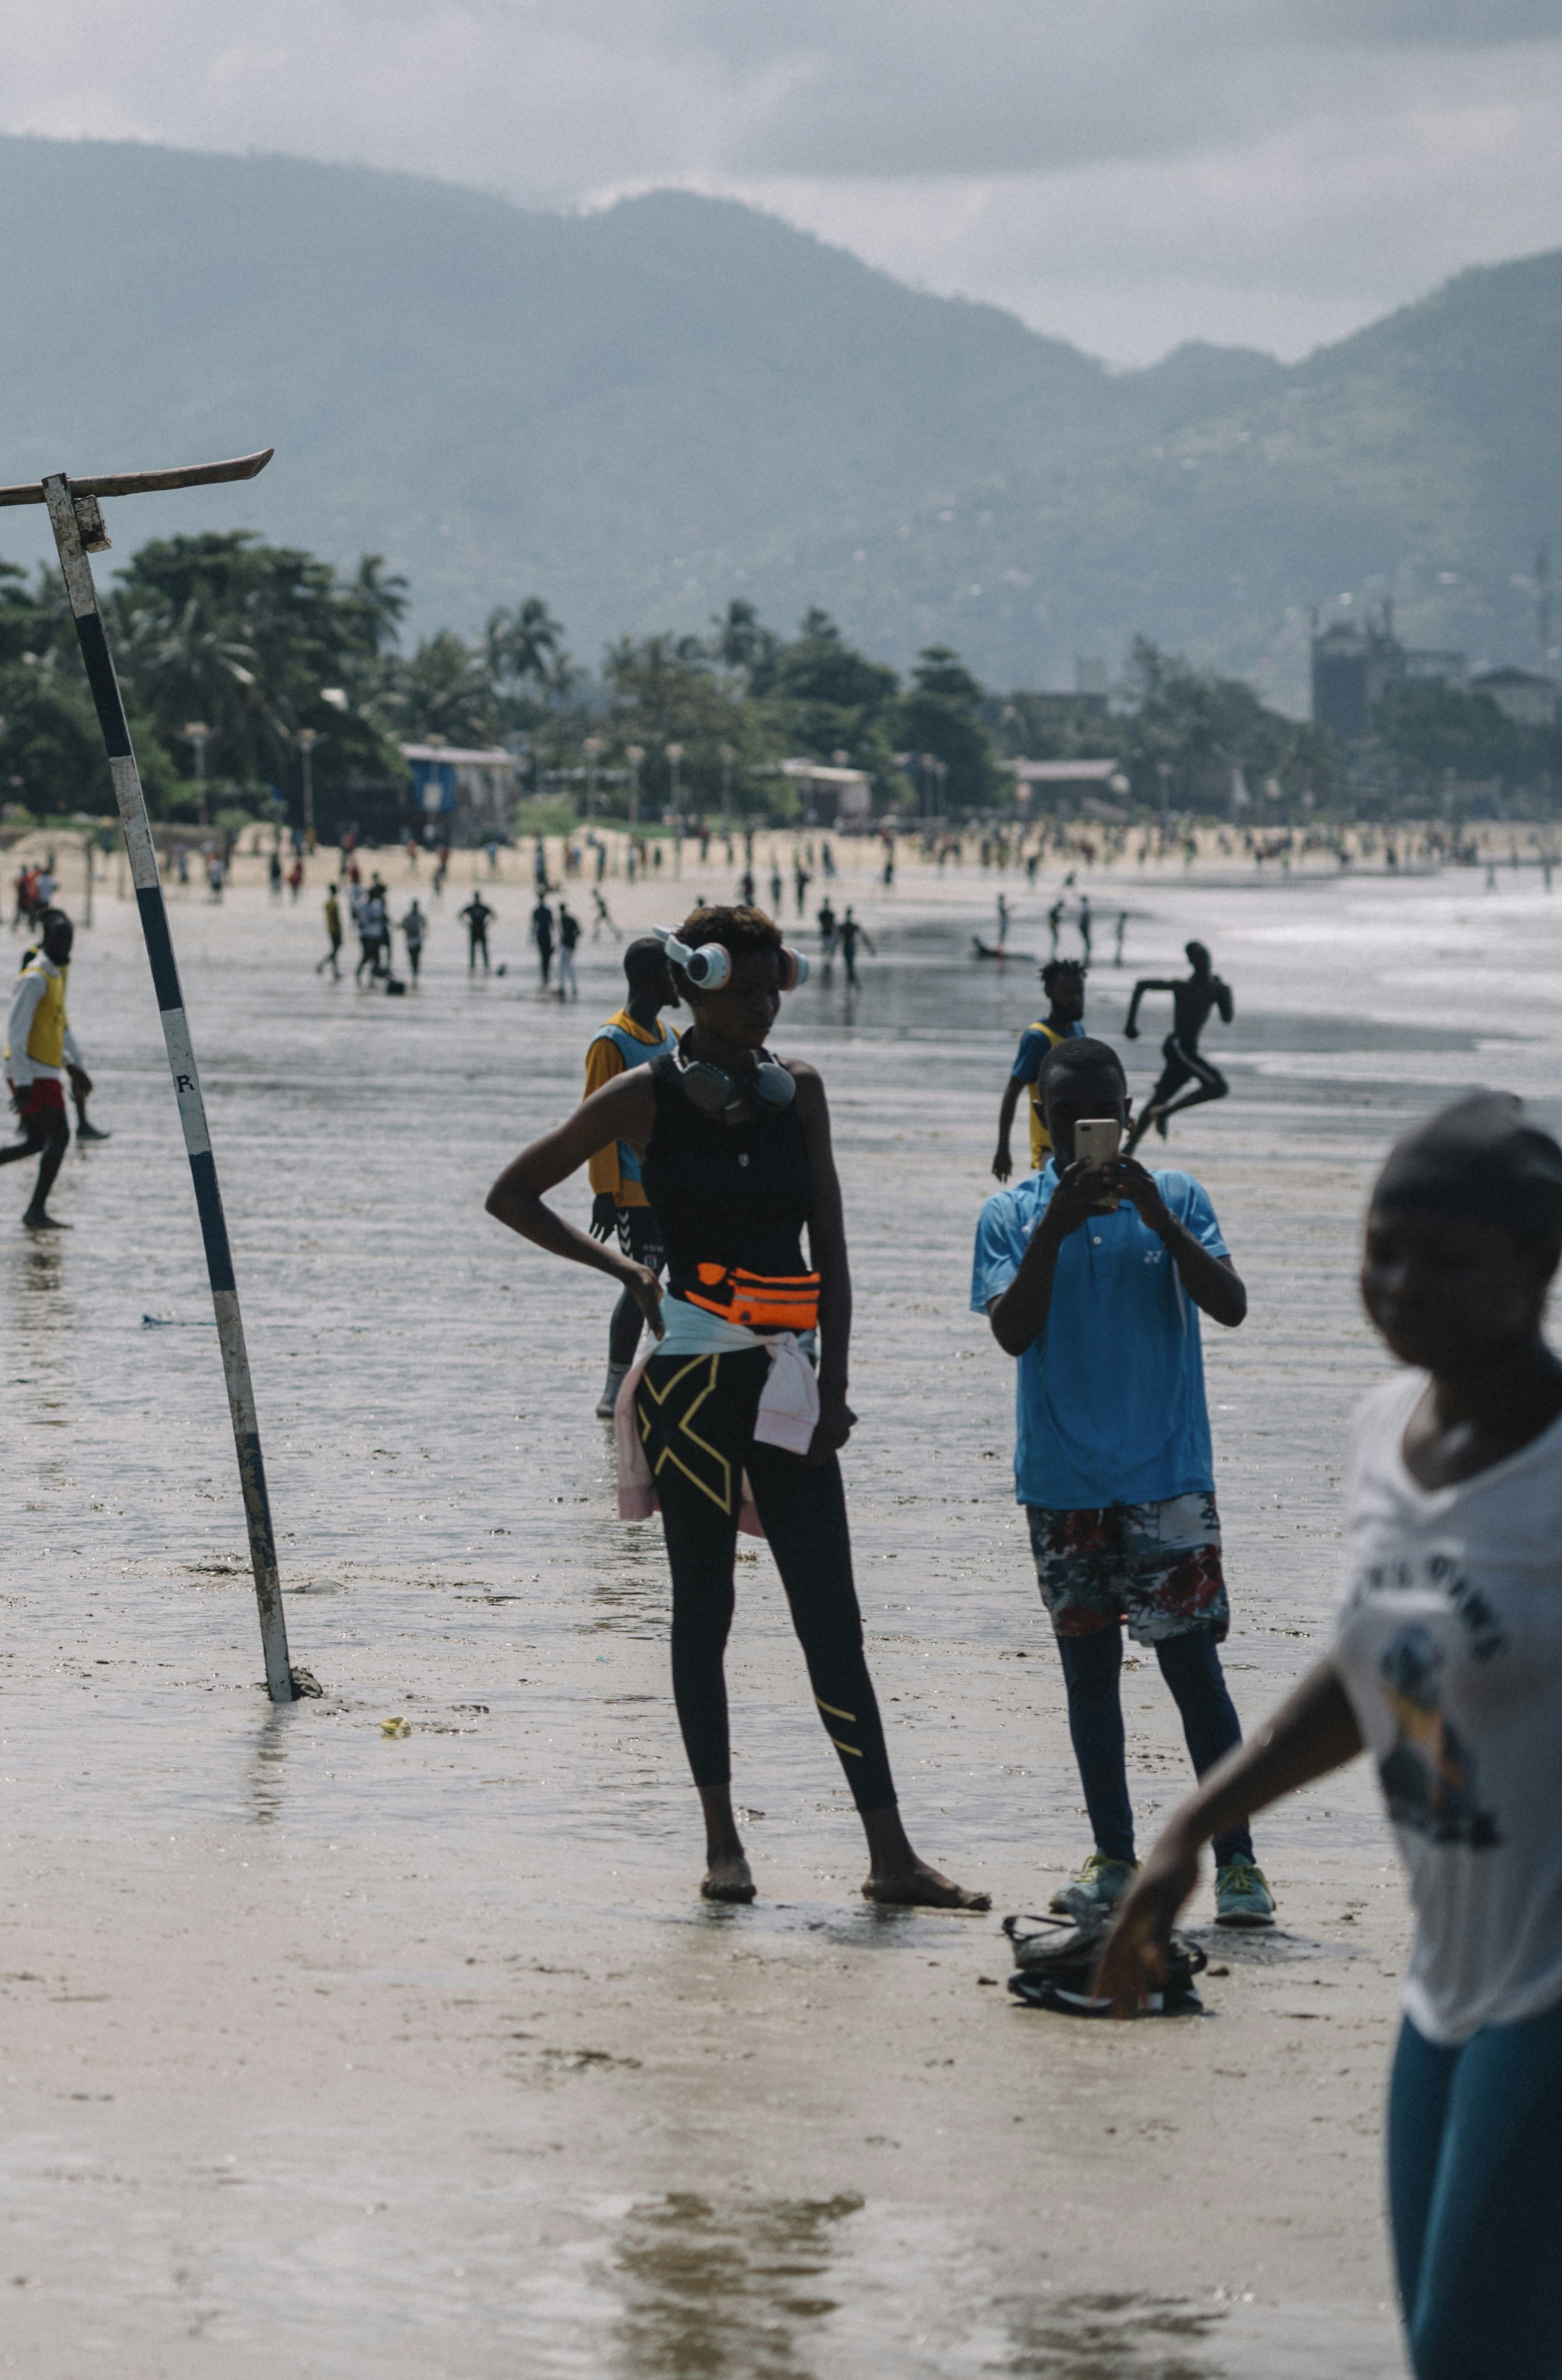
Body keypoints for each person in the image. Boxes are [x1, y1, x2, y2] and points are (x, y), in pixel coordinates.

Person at [1095, 1093, 1562, 2374]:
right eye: (1381, 1250)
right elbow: (1380, 1675)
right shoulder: (1379, 1434)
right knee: (1449, 2347)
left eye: (1446, 1258)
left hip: (1550, 1996)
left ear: (1540, 1262)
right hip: (1442, 1989)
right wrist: (1192, 1824)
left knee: (1477, 2350)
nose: (1402, 1285)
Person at [485, 903, 987, 1913]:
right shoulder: (640, 1096)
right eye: (740, 988)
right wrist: (625, 1266)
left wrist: (837, 1386)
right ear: (691, 985)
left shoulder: (798, 1090)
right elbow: (511, 1191)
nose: (760, 1006)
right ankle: (722, 1845)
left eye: (771, 988)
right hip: (693, 1383)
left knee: (830, 1617)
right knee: (702, 1612)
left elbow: (830, 1252)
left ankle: (890, 1853)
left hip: (791, 1383)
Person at [980, 1035, 1266, 1929]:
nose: (1081, 1136)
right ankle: (1113, 1855)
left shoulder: (1176, 1196)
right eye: (1065, 1120)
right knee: (1089, 1673)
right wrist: (1055, 1230)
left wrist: (1163, 1222)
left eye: (1098, 1119)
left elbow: (1229, 1304)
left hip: (1168, 1476)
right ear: (1044, 1121)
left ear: (1130, 1118)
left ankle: (1240, 1868)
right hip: (1064, 1482)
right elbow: (1013, 1332)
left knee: (1193, 1668)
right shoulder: (1012, 1215)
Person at [580, 941, 686, 1412]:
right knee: (640, 1279)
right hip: (631, 1188)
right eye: (671, 973)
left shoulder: (673, 1037)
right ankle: (615, 1385)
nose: (678, 982)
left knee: (674, 1279)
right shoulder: (611, 1041)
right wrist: (605, 1190)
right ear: (648, 980)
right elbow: (594, 1118)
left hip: (673, 1187)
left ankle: (657, 1375)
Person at [0, 913, 95, 1226]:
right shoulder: (34, 977)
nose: (65, 945)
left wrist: (71, 1065)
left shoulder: (54, 974)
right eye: (58, 939)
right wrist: (25, 1082)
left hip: (44, 1069)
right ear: (46, 940)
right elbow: (17, 1031)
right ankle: (35, 1211)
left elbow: (51, 1029)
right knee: (61, 1136)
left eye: (69, 939)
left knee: (36, 1141)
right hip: (33, 1071)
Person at [994, 959, 1103, 1180]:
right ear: (1049, 992)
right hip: (1051, 1149)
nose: (1075, 999)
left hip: (1083, 1141)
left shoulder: (1078, 1030)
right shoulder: (1038, 1038)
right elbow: (1013, 1091)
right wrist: (1003, 1149)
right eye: (1067, 992)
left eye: (1079, 992)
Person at [1127, 942, 1239, 1137]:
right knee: (1217, 1086)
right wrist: (1131, 1024)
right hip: (1179, 1048)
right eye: (1199, 958)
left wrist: (1225, 994)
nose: (1205, 961)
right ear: (1192, 962)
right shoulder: (1184, 987)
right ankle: (1164, 1113)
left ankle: (1130, 1148)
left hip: (1186, 1050)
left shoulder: (1214, 989)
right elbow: (1141, 985)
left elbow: (1227, 1018)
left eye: (1206, 956)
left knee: (1160, 1097)